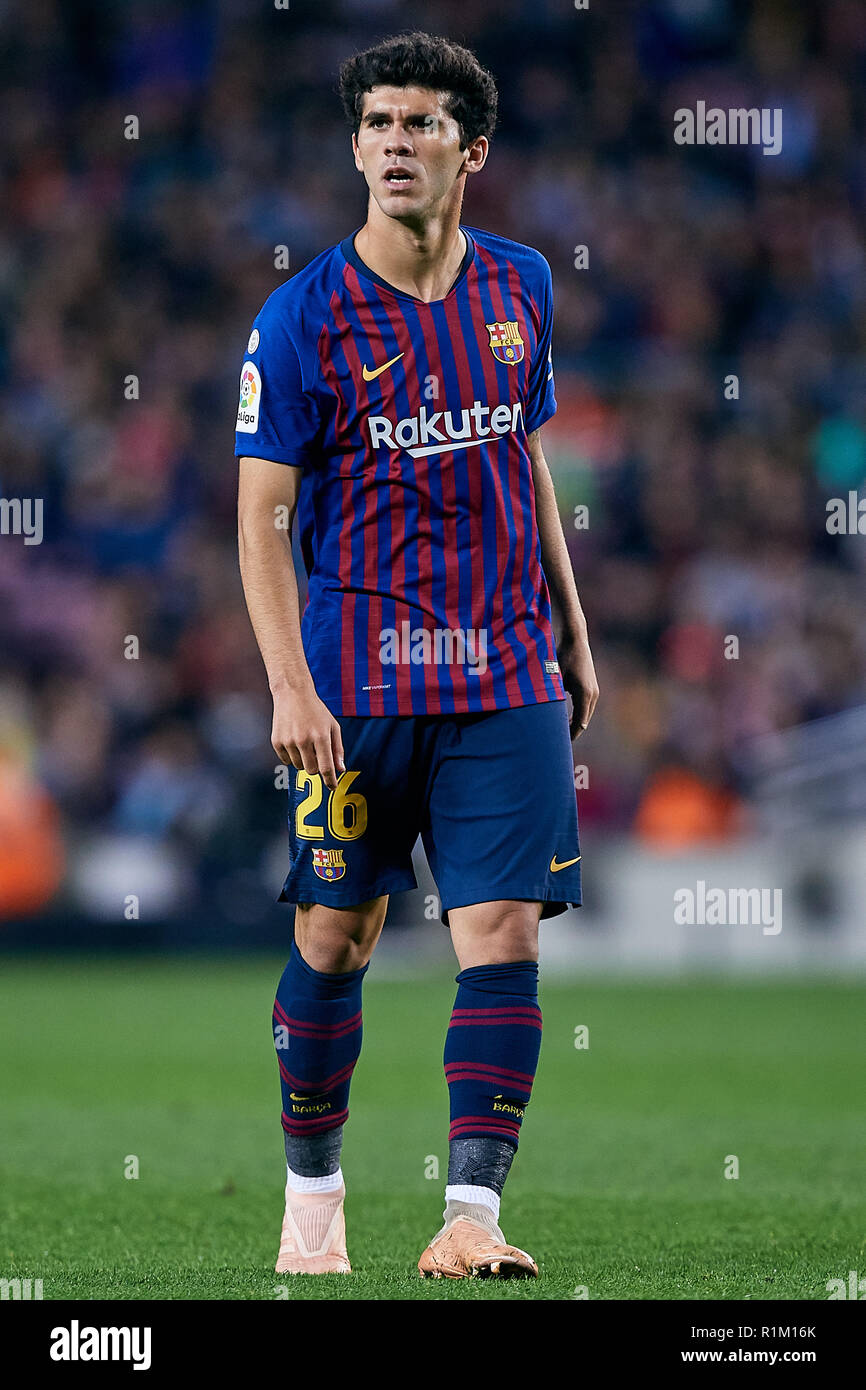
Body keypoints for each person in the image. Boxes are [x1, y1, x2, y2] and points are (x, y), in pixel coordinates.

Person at [236, 31, 598, 1280]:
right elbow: (261, 515)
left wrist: (572, 623)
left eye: (421, 124)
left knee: (500, 927)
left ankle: (472, 1215)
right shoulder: (300, 320)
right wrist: (288, 683)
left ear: (470, 152)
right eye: (377, 123)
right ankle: (313, 1194)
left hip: (502, 678)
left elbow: (528, 459)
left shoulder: (521, 288)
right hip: (355, 687)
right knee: (337, 936)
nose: (395, 141)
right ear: (355, 148)